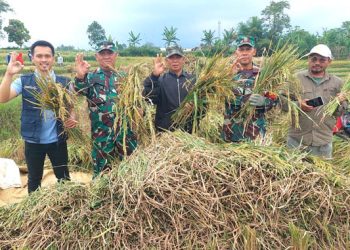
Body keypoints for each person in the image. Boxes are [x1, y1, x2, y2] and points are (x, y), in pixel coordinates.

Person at [0, 40, 77, 193]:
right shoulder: (23, 81)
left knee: (64, 177)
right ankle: (34, 211)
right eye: (39, 56)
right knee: (34, 178)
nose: (43, 60)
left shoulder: (65, 82)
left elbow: (71, 105)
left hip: (58, 140)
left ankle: (67, 207)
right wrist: (9, 74)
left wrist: (72, 117)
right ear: (32, 58)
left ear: (53, 58)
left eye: (47, 56)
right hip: (33, 141)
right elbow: (3, 98)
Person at [74, 41, 137, 176]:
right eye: (102, 54)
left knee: (129, 174)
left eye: (110, 53)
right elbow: (77, 92)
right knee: (102, 175)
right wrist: (79, 76)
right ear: (97, 56)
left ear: (116, 55)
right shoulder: (90, 77)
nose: (106, 56)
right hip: (102, 137)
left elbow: (136, 105)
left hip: (125, 136)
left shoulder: (126, 78)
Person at [283, 44, 348, 158]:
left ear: (329, 62)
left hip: (323, 142)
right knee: (294, 175)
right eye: (314, 59)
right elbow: (281, 102)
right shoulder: (295, 79)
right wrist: (298, 105)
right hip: (297, 141)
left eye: (322, 60)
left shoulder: (337, 83)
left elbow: (339, 113)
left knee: (321, 175)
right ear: (308, 60)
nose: (317, 62)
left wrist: (340, 102)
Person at [222, 35, 278, 143]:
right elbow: (214, 95)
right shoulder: (226, 75)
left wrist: (265, 102)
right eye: (241, 49)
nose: (244, 52)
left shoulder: (264, 75)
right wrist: (228, 77)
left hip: (254, 133)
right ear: (236, 53)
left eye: (248, 49)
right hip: (231, 132)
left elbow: (275, 98)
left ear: (254, 52)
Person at [143, 44, 196, 133]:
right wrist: (154, 76)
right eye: (171, 58)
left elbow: (203, 107)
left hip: (188, 131)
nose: (175, 61)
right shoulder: (159, 80)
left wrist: (193, 109)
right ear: (167, 60)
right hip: (165, 132)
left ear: (183, 59)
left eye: (178, 57)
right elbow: (149, 99)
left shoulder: (192, 80)